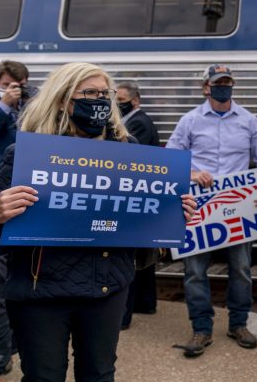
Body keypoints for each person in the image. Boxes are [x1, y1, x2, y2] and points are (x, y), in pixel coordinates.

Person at [0, 62, 196, 381]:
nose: (99, 100)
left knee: (100, 374)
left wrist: (171, 214)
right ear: (62, 99)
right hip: (39, 293)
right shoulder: (25, 156)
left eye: (105, 93)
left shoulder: (129, 155)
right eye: (89, 93)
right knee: (44, 377)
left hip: (106, 287)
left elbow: (140, 224)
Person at [166, 64, 257, 358]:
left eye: (227, 82)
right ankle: (201, 328)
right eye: (218, 83)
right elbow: (170, 160)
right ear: (206, 88)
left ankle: (238, 324)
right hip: (199, 208)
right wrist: (191, 174)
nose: (223, 87)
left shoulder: (249, 121)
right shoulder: (189, 121)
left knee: (241, 269)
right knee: (194, 271)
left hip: (238, 205)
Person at [0, 60, 29, 381]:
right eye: (6, 83)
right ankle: (0, 354)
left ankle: (11, 345)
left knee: (12, 281)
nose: (12, 88)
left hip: (22, 198)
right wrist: (3, 105)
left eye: (17, 84)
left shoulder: (28, 105)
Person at [116, 81, 161, 330]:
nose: (116, 104)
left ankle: (125, 315)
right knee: (142, 257)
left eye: (120, 99)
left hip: (138, 196)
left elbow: (130, 160)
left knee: (132, 257)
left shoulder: (138, 123)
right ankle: (146, 302)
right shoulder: (136, 120)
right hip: (140, 196)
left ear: (134, 101)